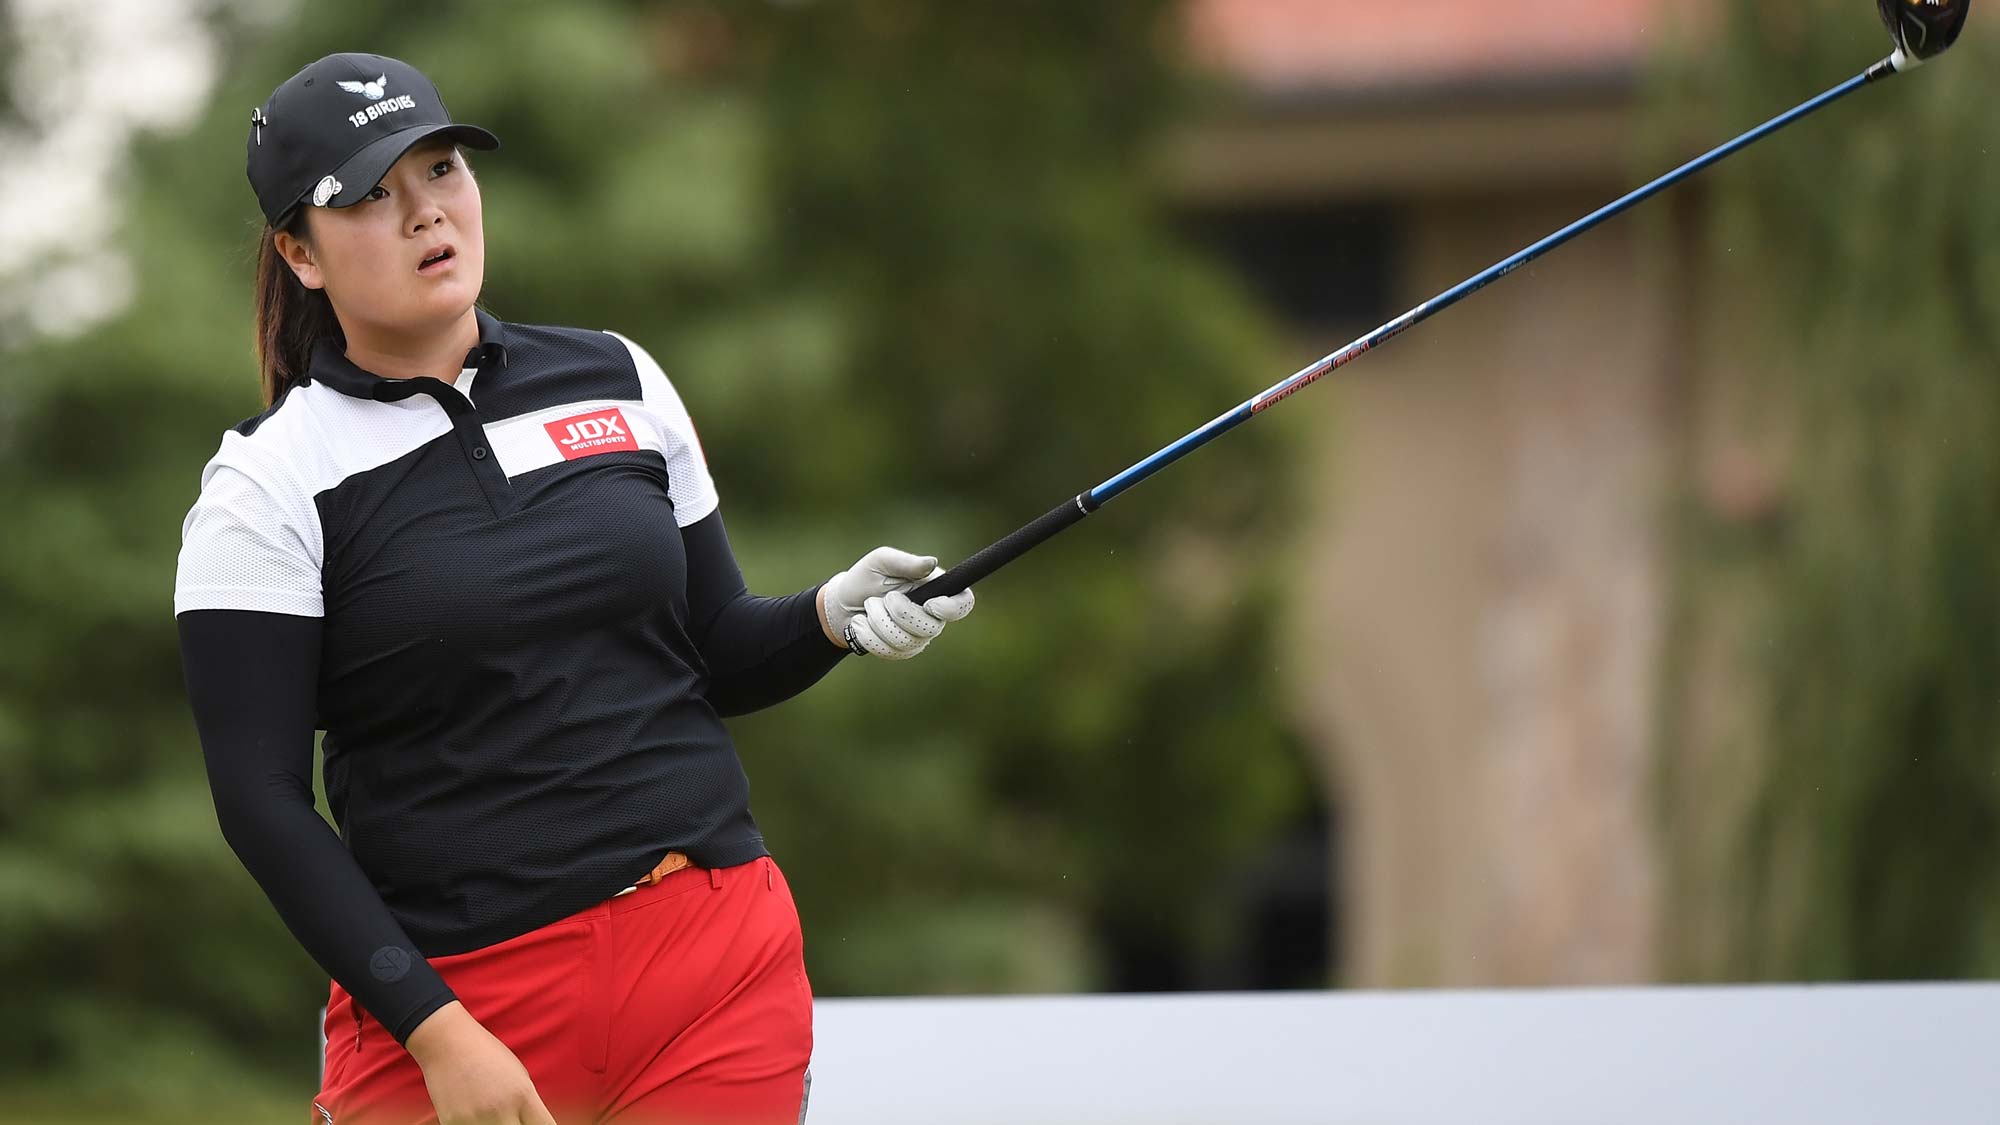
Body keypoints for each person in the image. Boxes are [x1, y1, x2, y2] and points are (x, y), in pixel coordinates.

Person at [174, 52, 974, 1125]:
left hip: (709, 964)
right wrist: (438, 1033)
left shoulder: (618, 377)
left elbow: (715, 648)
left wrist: (835, 617)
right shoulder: (264, 485)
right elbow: (262, 805)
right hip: (451, 1000)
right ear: (297, 253)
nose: (426, 214)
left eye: (443, 170)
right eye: (370, 195)